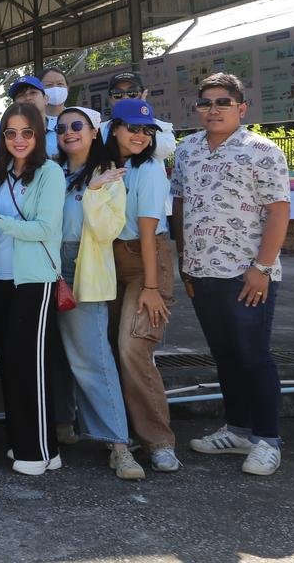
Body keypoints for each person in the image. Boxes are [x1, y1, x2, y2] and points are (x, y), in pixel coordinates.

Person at [172, 72, 290, 476]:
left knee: (253, 355)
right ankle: (238, 430)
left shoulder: (262, 150)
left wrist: (261, 268)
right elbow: (181, 206)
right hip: (202, 272)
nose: (213, 109)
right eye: (206, 103)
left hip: (247, 275)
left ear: (241, 108)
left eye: (223, 102)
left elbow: (278, 210)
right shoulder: (187, 150)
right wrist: (185, 263)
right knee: (225, 356)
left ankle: (267, 439)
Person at [0, 102, 65, 476]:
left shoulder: (50, 173)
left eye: (27, 132)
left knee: (32, 367)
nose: (18, 139)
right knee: (11, 366)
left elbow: (43, 229)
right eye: (11, 132)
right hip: (3, 280)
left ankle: (37, 449)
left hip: (34, 280)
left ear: (39, 134)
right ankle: (33, 445)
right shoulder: (2, 172)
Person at [52, 106, 138, 479]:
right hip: (48, 265)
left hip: (82, 266)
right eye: (61, 128)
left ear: (93, 131)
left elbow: (106, 231)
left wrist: (92, 191)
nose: (69, 132)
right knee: (54, 356)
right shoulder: (51, 171)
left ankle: (119, 444)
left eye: (77, 126)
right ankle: (62, 425)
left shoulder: (109, 174)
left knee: (92, 358)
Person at [105, 96, 181, 474]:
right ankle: (119, 435)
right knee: (106, 351)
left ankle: (159, 441)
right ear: (114, 128)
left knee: (132, 348)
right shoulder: (102, 165)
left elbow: (149, 233)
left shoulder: (149, 169)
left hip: (144, 260)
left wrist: (152, 286)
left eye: (147, 129)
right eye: (132, 127)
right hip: (106, 261)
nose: (140, 135)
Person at [105, 71, 177, 162]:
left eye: (132, 92)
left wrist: (141, 116)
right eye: (117, 93)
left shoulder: (159, 126)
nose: (125, 97)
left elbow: (165, 149)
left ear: (144, 94)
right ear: (111, 99)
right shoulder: (99, 128)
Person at [8, 75, 58, 156]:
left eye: (33, 92)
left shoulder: (63, 129)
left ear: (46, 99)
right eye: (20, 95)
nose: (27, 98)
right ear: (14, 104)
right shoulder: (9, 136)